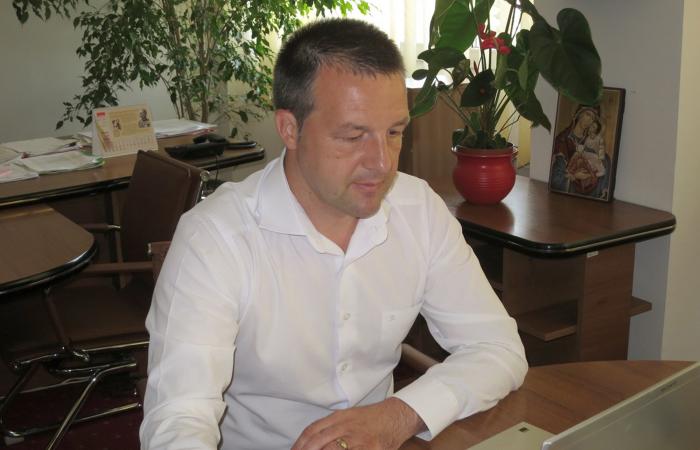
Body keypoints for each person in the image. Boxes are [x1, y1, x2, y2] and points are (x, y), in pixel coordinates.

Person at [140, 18, 527, 450]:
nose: (382, 163)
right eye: (353, 136)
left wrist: (399, 415)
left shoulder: (418, 210)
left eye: (394, 132)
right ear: (290, 129)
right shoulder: (215, 238)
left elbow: (497, 348)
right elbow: (179, 416)